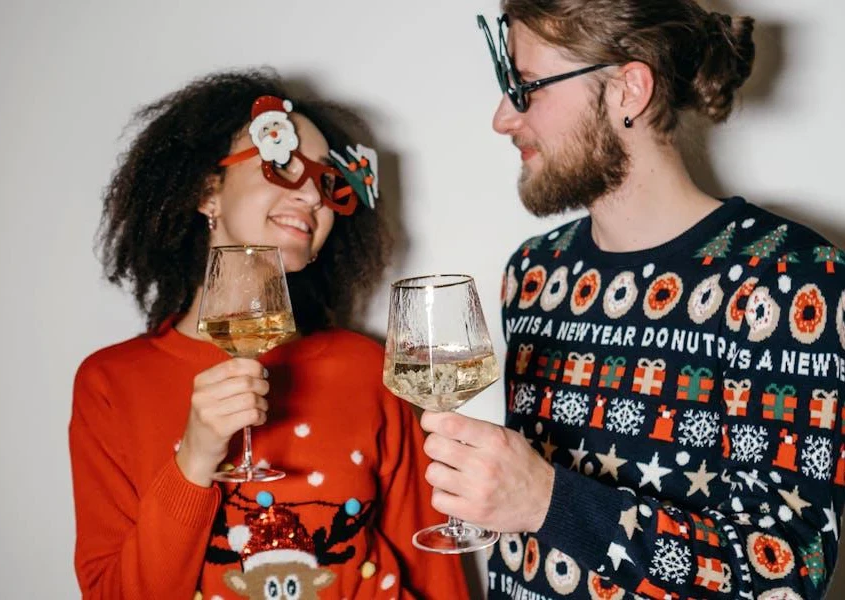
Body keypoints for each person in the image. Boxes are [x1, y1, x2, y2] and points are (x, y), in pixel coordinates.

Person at [420, 2, 845, 598]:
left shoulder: (788, 278)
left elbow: (784, 575)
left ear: (629, 88)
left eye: (525, 86)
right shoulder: (534, 271)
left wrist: (547, 500)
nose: (502, 118)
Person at [69, 69, 469, 599]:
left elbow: (432, 568)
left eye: (329, 182)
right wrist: (194, 460)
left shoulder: (365, 367)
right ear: (205, 190)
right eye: (280, 163)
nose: (313, 195)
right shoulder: (111, 384)